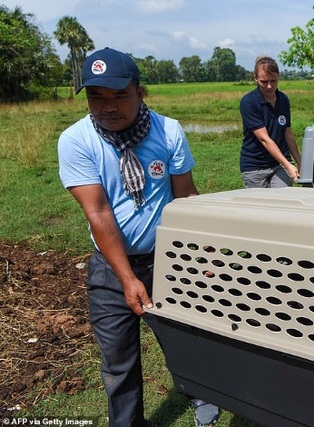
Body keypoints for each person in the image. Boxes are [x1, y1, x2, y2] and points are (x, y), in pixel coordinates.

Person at [58, 48, 220, 427]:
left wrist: (204, 254)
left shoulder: (168, 131)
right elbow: (98, 213)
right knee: (118, 360)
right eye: (96, 97)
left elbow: (187, 196)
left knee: (186, 339)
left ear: (140, 92)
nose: (107, 107)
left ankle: (204, 402)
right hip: (111, 270)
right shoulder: (76, 140)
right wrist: (128, 279)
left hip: (170, 259)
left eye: (119, 96)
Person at [239, 56, 302, 188]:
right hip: (255, 166)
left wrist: (300, 162)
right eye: (264, 81)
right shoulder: (249, 102)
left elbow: (288, 133)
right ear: (255, 78)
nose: (269, 86)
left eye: (273, 81)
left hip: (279, 164)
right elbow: (264, 139)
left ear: (279, 76)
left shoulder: (283, 99)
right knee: (261, 206)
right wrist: (289, 166)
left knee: (284, 200)